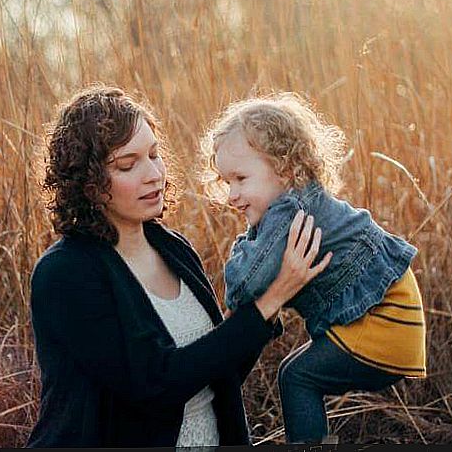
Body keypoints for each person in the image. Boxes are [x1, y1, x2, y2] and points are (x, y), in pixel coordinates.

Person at [26, 85, 332, 448]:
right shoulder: (65, 274)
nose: (153, 173)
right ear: (88, 182)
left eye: (154, 154)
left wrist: (269, 294)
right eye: (128, 164)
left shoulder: (173, 248)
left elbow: (219, 372)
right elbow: (154, 385)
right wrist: (270, 300)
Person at [201, 92, 427, 444]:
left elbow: (241, 286)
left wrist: (245, 243)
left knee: (298, 379)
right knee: (293, 372)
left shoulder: (287, 212)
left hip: (384, 322)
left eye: (241, 179)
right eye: (225, 181)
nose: (231, 194)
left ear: (286, 169)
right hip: (396, 320)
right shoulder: (300, 202)